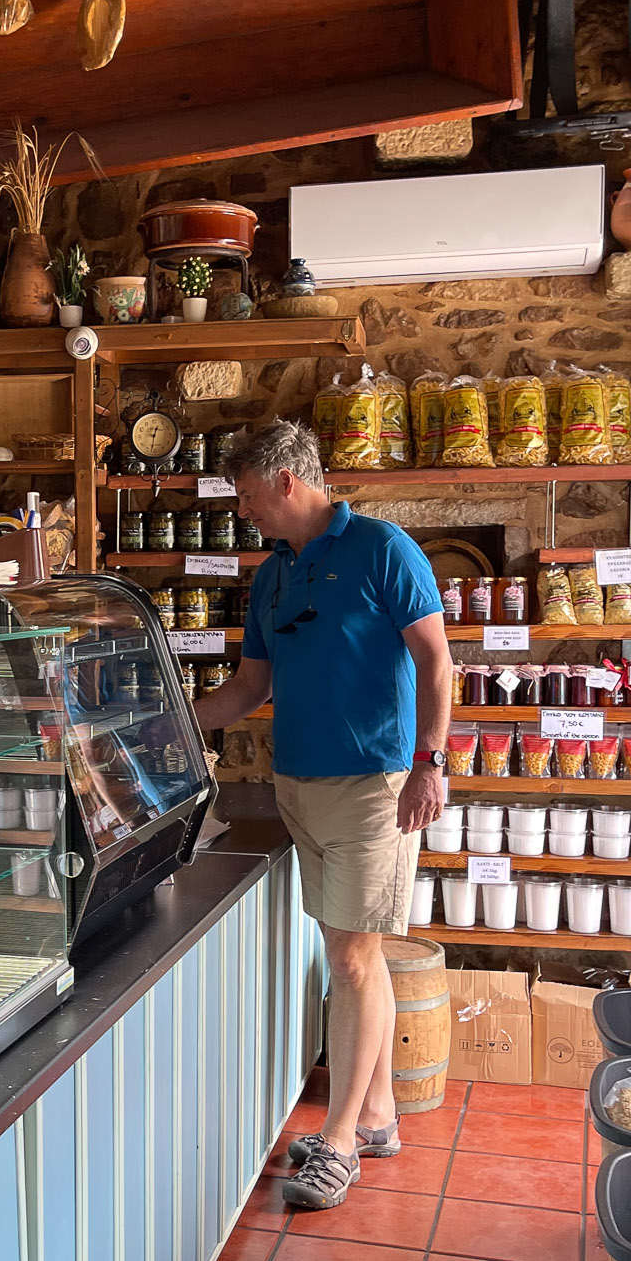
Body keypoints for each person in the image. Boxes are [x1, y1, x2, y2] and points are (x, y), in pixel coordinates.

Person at [193, 419, 451, 1211]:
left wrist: (429, 763)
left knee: (350, 958)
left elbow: (436, 659)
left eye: (244, 495)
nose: (242, 511)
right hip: (298, 785)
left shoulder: (381, 548)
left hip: (374, 783)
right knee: (349, 955)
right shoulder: (272, 575)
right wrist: (164, 725)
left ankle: (338, 1143)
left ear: (283, 481)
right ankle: (375, 1115)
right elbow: (246, 691)